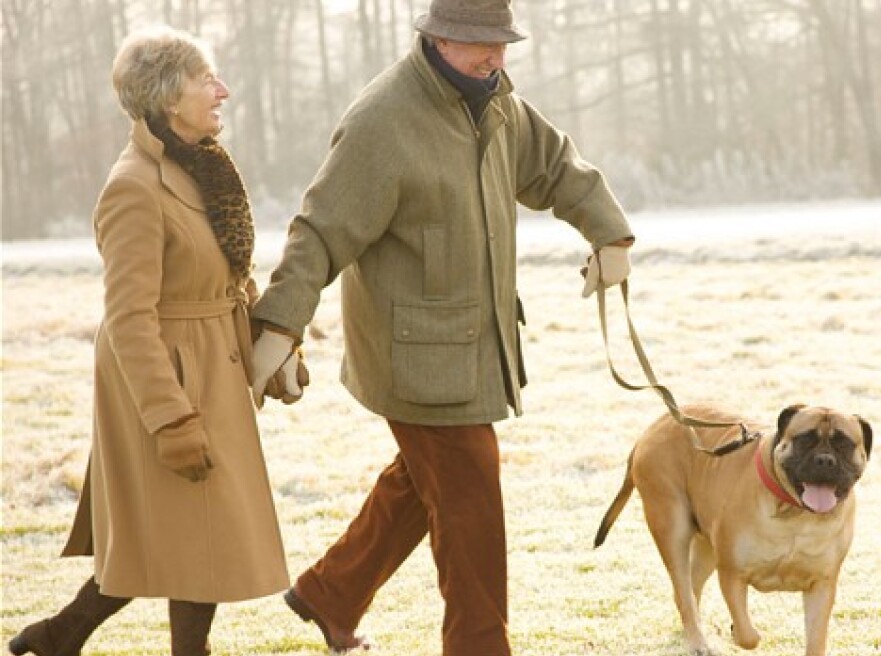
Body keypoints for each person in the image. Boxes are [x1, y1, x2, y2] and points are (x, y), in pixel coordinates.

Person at [246, 0, 635, 653]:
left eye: (502, 43)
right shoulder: (382, 122)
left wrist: (610, 232)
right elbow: (320, 231)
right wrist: (280, 326)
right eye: (482, 43)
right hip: (414, 359)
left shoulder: (495, 101)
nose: (496, 56)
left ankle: (329, 592)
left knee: (425, 482)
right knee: (471, 509)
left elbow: (556, 166)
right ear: (439, 37)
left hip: (475, 347)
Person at [8, 25, 295, 656]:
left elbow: (226, 275)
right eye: (206, 81)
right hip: (165, 380)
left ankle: (58, 637)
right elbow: (129, 319)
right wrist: (169, 418)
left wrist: (265, 354)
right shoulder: (133, 187)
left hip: (211, 366)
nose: (223, 90)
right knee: (183, 533)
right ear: (169, 99)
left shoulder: (203, 169)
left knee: (182, 533)